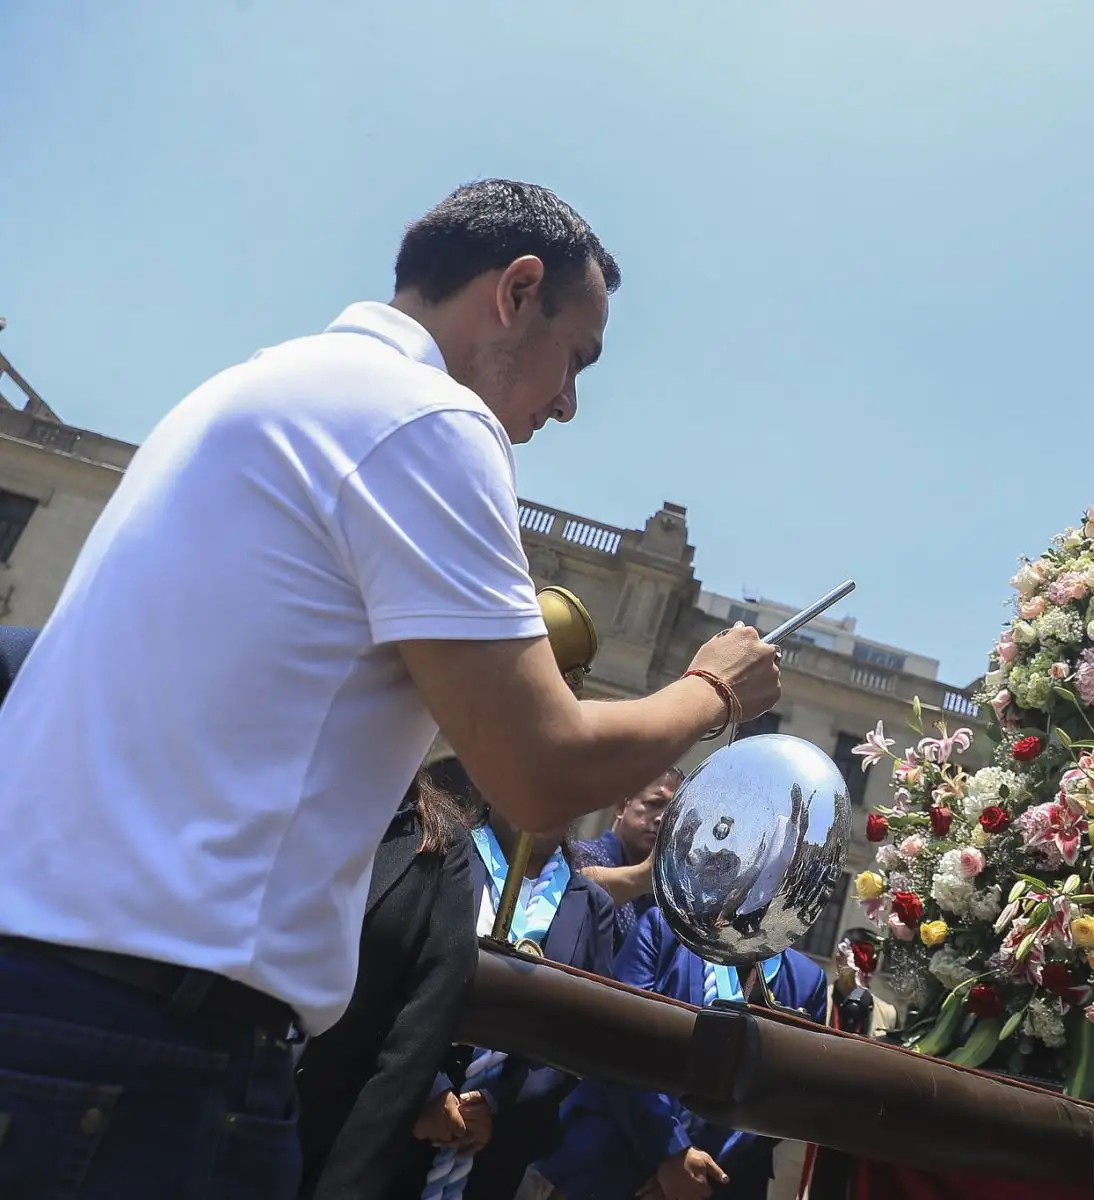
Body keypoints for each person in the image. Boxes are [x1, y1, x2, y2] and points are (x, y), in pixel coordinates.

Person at [0, 179, 781, 1198]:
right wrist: (712, 692)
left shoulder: (257, 385)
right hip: (147, 1047)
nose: (567, 402)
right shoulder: (426, 422)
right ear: (517, 290)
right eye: (575, 357)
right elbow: (541, 772)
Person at [394, 805, 614, 1200]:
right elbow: (394, 968)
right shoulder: (439, 853)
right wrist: (427, 1087)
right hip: (408, 1096)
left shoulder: (592, 905)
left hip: (502, 1127)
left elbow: (581, 1033)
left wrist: (499, 1103)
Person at [536, 907, 829, 1200]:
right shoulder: (663, 928)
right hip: (609, 1163)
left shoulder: (807, 981)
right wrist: (671, 1152)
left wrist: (699, 1174)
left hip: (717, 1185)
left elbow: (783, 1101)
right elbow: (620, 1043)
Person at [295, 773, 478, 1199]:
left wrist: (348, 1184)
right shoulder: (278, 785)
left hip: (324, 1146)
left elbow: (420, 1031)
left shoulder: (441, 843)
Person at [569, 768, 682, 953]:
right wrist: (644, 877)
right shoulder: (580, 855)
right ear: (621, 806)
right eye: (654, 803)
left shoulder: (667, 894)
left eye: (673, 813)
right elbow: (574, 889)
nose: (662, 818)